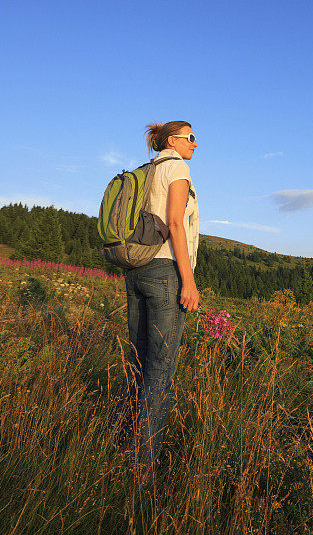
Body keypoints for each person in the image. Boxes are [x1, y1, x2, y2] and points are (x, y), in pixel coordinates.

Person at [111, 119, 200, 481]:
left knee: (137, 359)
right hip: (166, 273)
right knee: (159, 371)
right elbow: (176, 224)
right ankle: (143, 471)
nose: (196, 144)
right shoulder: (178, 168)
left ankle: (117, 444)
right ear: (173, 141)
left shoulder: (148, 171)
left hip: (137, 271)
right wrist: (189, 282)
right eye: (191, 137)